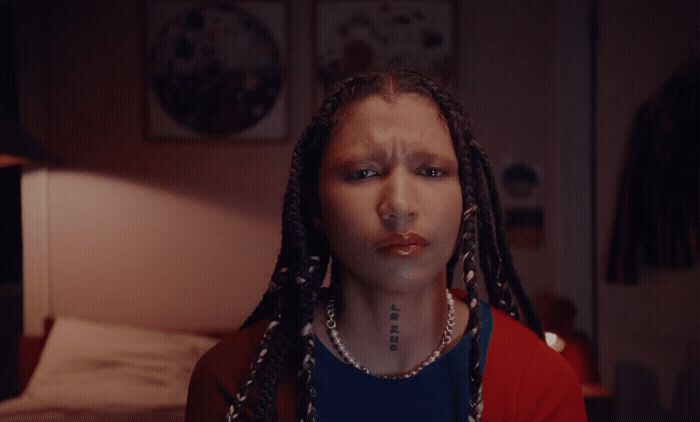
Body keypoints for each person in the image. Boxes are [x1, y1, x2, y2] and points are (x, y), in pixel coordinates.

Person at [185, 69, 586, 421]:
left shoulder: (537, 378)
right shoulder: (234, 378)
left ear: (467, 199)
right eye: (362, 173)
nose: (399, 206)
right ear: (316, 206)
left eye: (431, 171)